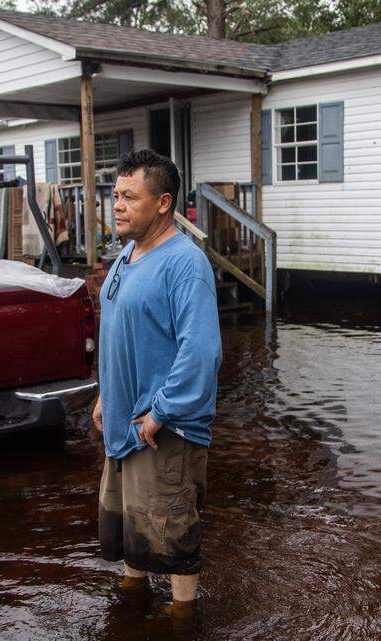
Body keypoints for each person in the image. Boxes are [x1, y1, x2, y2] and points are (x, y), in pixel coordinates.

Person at [92, 149, 222, 617]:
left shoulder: (185, 264)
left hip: (161, 428)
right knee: (131, 528)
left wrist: (160, 413)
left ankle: (184, 616)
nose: (117, 205)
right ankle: (133, 599)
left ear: (163, 202)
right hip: (125, 424)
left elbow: (201, 350)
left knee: (172, 533)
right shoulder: (128, 253)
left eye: (130, 196)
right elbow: (122, 334)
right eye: (115, 194)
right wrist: (108, 393)